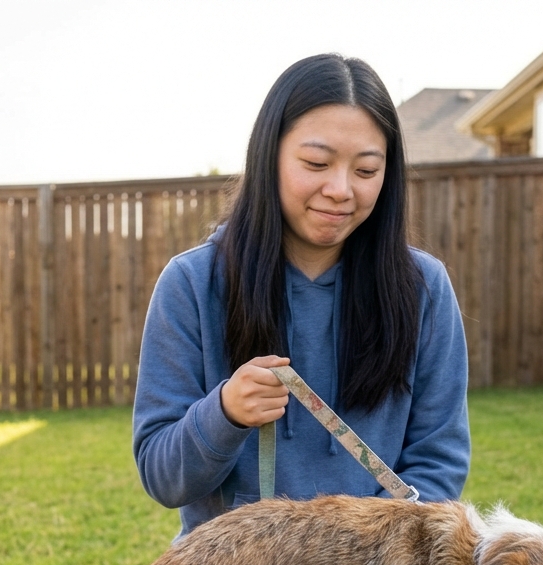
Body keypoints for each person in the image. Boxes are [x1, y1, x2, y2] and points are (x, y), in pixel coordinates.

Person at [133, 53, 470, 538]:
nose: (340, 189)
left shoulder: (423, 288)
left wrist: (347, 556)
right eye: (316, 163)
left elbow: (438, 464)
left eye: (367, 170)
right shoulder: (192, 283)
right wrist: (224, 411)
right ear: (269, 154)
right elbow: (163, 478)